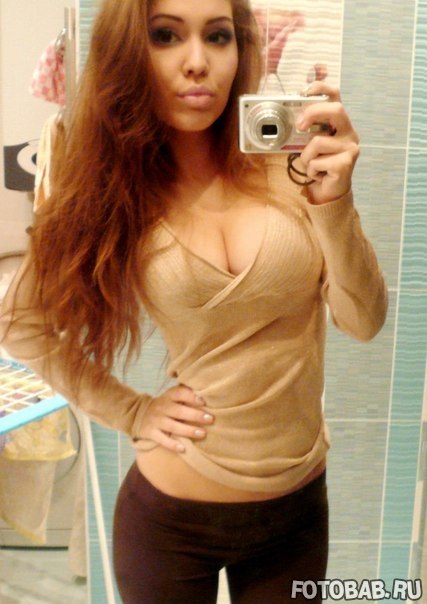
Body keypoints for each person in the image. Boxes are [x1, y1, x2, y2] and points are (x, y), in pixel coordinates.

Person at [0, 0, 388, 602]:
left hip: (297, 514)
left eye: (218, 36)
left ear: (240, 50)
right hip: (170, 522)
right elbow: (19, 322)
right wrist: (131, 411)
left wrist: (334, 202)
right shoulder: (110, 189)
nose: (198, 61)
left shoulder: (292, 169)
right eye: (165, 36)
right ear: (129, 54)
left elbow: (362, 321)